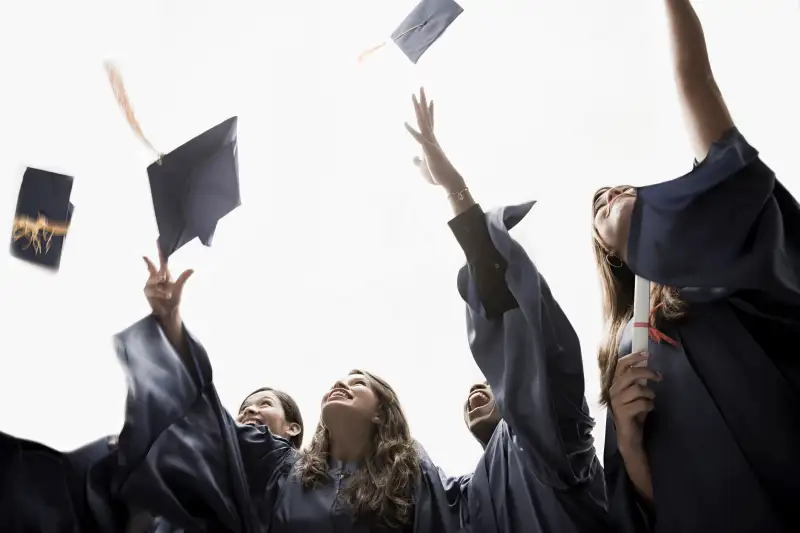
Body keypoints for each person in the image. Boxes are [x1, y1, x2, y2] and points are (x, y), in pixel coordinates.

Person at [592, 1, 800, 532]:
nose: (609, 194)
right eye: (597, 208)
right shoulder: (621, 350)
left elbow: (696, 83)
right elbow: (646, 498)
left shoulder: (715, 246)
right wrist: (629, 438)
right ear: (609, 254)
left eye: (621, 189)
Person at [105, 249, 465, 532]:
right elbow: (211, 427)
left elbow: (479, 501)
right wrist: (170, 325)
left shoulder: (413, 476)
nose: (340, 383)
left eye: (358, 383)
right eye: (338, 380)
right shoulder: (282, 468)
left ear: (381, 412)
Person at [404, 88, 610, 533]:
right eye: (473, 393)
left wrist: (455, 190)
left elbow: (510, 313)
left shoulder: (558, 437)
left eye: (488, 386)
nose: (477, 392)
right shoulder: (468, 497)